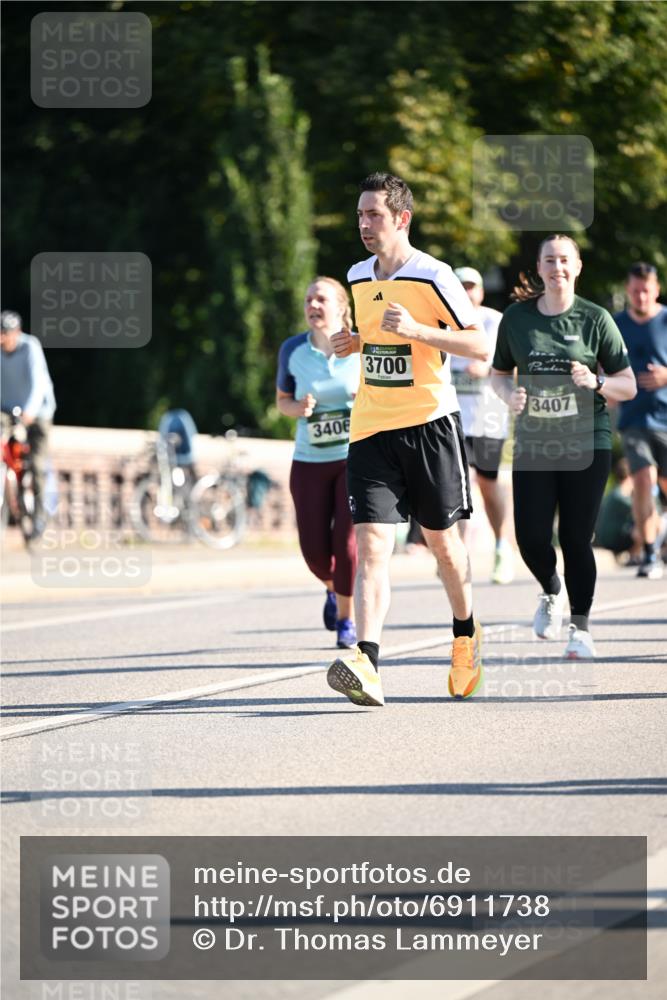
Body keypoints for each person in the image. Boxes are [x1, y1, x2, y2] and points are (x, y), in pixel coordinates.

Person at [327, 172, 489, 706]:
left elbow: (478, 346)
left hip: (429, 425)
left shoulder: (433, 275)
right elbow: (373, 338)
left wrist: (418, 331)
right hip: (371, 424)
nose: (364, 225)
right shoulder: (356, 275)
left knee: (444, 545)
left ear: (402, 219)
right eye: (359, 215)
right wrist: (353, 342)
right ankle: (367, 662)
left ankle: (465, 634)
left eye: (374, 215)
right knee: (373, 544)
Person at [491, 235, 636, 659]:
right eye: (549, 260)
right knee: (531, 537)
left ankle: (581, 628)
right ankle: (551, 588)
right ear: (539, 268)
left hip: (585, 441)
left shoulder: (595, 318)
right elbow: (498, 374)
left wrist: (598, 381)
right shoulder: (517, 319)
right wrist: (508, 396)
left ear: (577, 267)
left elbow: (626, 383)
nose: (557, 267)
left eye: (564, 260)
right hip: (535, 441)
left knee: (575, 538)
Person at [276, 277, 360, 649]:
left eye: (321, 299)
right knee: (314, 553)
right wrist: (298, 407)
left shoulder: (360, 347)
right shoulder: (293, 349)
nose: (313, 305)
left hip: (354, 458)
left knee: (346, 545)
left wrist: (363, 399)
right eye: (308, 299)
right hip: (309, 460)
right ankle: (333, 588)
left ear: (341, 307)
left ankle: (347, 620)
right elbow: (282, 400)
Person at [451, 266, 514, 584]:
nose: (465, 292)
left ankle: (503, 547)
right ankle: (458, 555)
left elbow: (513, 367)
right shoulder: (441, 321)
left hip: (489, 420)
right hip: (453, 419)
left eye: (471, 287)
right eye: (460, 286)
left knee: (488, 487)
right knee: (458, 486)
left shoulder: (495, 321)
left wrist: (487, 368)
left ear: (480, 291)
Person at [614, 262, 667, 580]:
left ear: (656, 290)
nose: (641, 296)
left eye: (646, 290)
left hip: (666, 417)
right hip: (633, 419)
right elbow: (603, 363)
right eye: (635, 291)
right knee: (644, 480)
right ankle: (648, 551)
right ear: (628, 291)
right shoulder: (617, 323)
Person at [0, 309, 56, 535]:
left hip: (38, 411)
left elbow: (39, 383)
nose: (3, 339)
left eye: (6, 334)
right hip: (6, 409)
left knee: (37, 463)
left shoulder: (30, 347)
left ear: (17, 333)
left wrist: (30, 412)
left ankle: (40, 516)